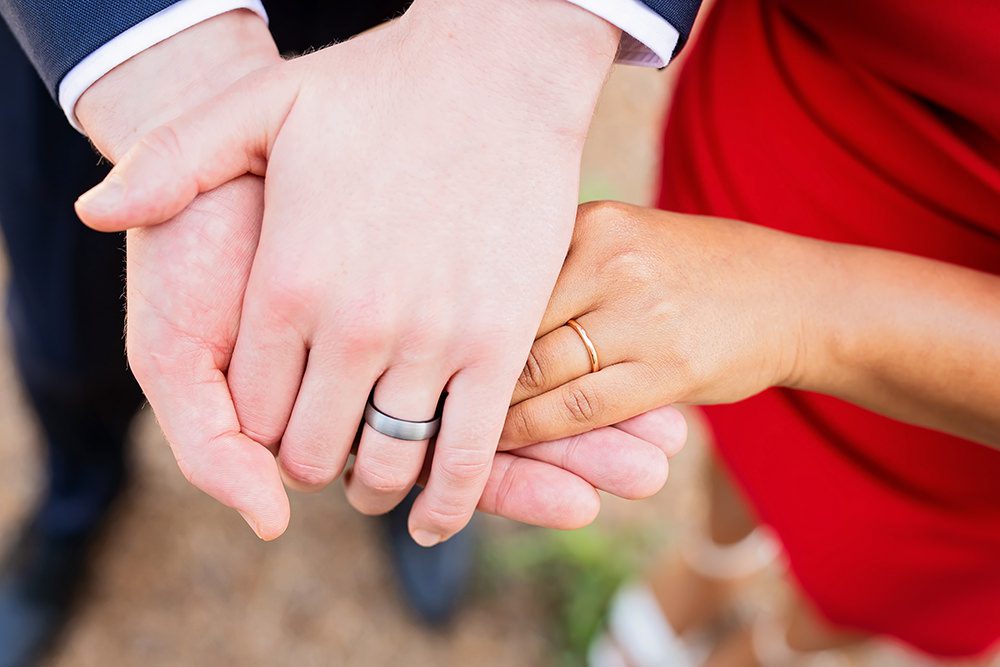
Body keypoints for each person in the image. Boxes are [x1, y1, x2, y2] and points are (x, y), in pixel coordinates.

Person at [0, 3, 691, 664]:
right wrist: (162, 73)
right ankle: (74, 501)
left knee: (433, 329)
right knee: (70, 326)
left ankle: (407, 469)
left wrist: (526, 48)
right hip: (104, 43)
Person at [497, 0, 1000, 661]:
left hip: (966, 374)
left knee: (880, 570)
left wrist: (791, 310)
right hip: (804, 102)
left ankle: (776, 647)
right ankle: (713, 563)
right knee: (744, 424)